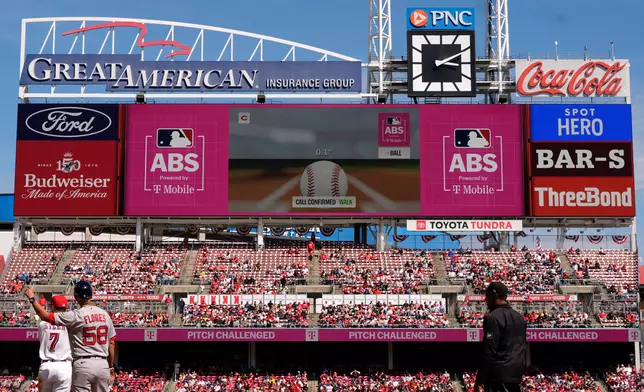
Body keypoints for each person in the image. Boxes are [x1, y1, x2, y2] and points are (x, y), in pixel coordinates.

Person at [23, 280, 116, 392]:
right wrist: (110, 365)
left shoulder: (75, 315)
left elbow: (45, 316)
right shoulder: (105, 315)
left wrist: (32, 298)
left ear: (76, 297)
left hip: (82, 363)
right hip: (102, 364)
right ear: (91, 295)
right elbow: (111, 343)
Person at [474, 282, 527, 392]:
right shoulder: (520, 318)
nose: (486, 300)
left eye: (487, 296)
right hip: (516, 375)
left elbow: (489, 350)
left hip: (497, 377)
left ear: (495, 296)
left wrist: (480, 380)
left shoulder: (492, 318)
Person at [37, 295, 72, 392]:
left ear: (52, 306)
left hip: (46, 365)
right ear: (66, 307)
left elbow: (44, 315)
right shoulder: (70, 325)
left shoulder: (42, 324)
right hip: (64, 365)